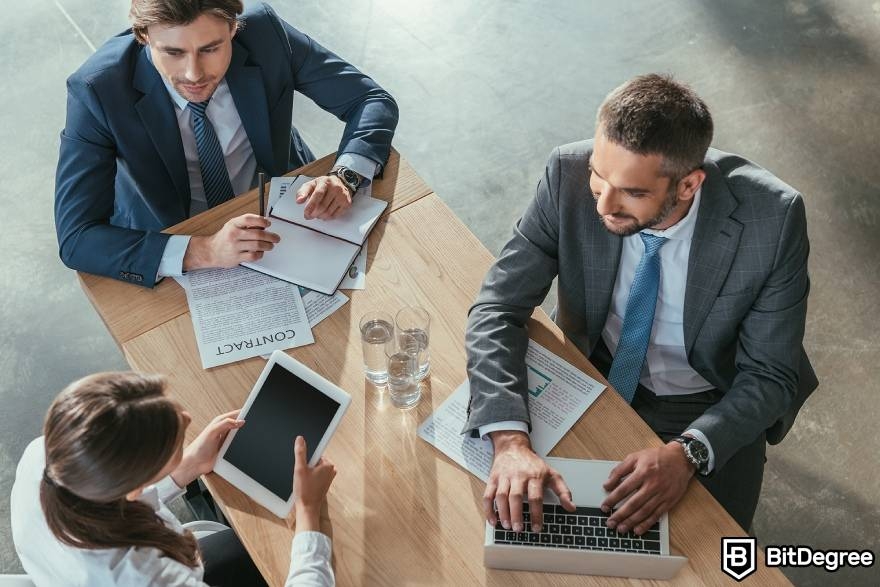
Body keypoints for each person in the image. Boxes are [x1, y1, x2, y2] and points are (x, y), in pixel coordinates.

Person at [464, 74, 817, 537]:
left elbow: (769, 375)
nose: (603, 204)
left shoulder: (772, 219)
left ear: (688, 185)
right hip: (591, 372)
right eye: (599, 174)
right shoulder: (566, 174)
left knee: (716, 556)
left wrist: (688, 451)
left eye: (632, 192)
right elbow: (497, 307)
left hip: (706, 401)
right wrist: (509, 441)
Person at [55, 0, 398, 288]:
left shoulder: (264, 32)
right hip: (176, 230)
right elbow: (77, 238)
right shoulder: (97, 89)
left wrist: (345, 177)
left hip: (286, 207)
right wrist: (204, 250)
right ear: (144, 36)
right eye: (173, 52)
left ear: (234, 27)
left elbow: (370, 100)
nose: (193, 74)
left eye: (211, 49)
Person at [10, 372, 337, 586]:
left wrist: (187, 464)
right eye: (172, 443)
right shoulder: (147, 578)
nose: (187, 417)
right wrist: (308, 511)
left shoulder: (46, 456)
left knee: (233, 548)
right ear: (135, 482)